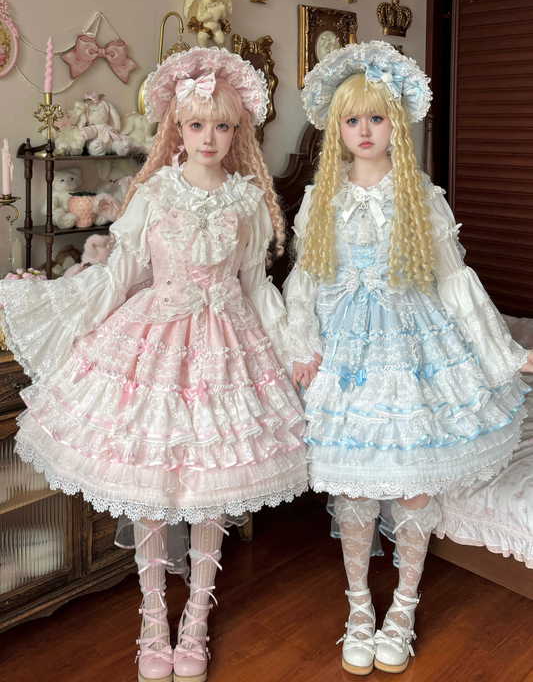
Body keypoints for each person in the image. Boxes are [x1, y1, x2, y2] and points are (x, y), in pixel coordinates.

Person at [0, 46, 308, 682]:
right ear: (177, 127)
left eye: (221, 126)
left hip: (226, 354)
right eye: (196, 124)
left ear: (237, 131)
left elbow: (257, 287)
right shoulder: (154, 193)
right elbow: (120, 276)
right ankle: (151, 616)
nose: (208, 138)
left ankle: (196, 614)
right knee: (151, 485)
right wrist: (74, 324)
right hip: (157, 344)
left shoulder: (249, 200)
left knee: (212, 485)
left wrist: (292, 349)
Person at [283, 40, 533, 675]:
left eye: (377, 117)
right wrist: (302, 346)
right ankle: (358, 607)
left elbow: (454, 281)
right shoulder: (321, 197)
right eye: (352, 120)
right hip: (347, 356)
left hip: (412, 345)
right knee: (354, 488)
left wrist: (503, 352)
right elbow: (304, 283)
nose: (365, 131)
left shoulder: (421, 194)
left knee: (415, 484)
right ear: (337, 129)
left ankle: (403, 607)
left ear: (396, 122)